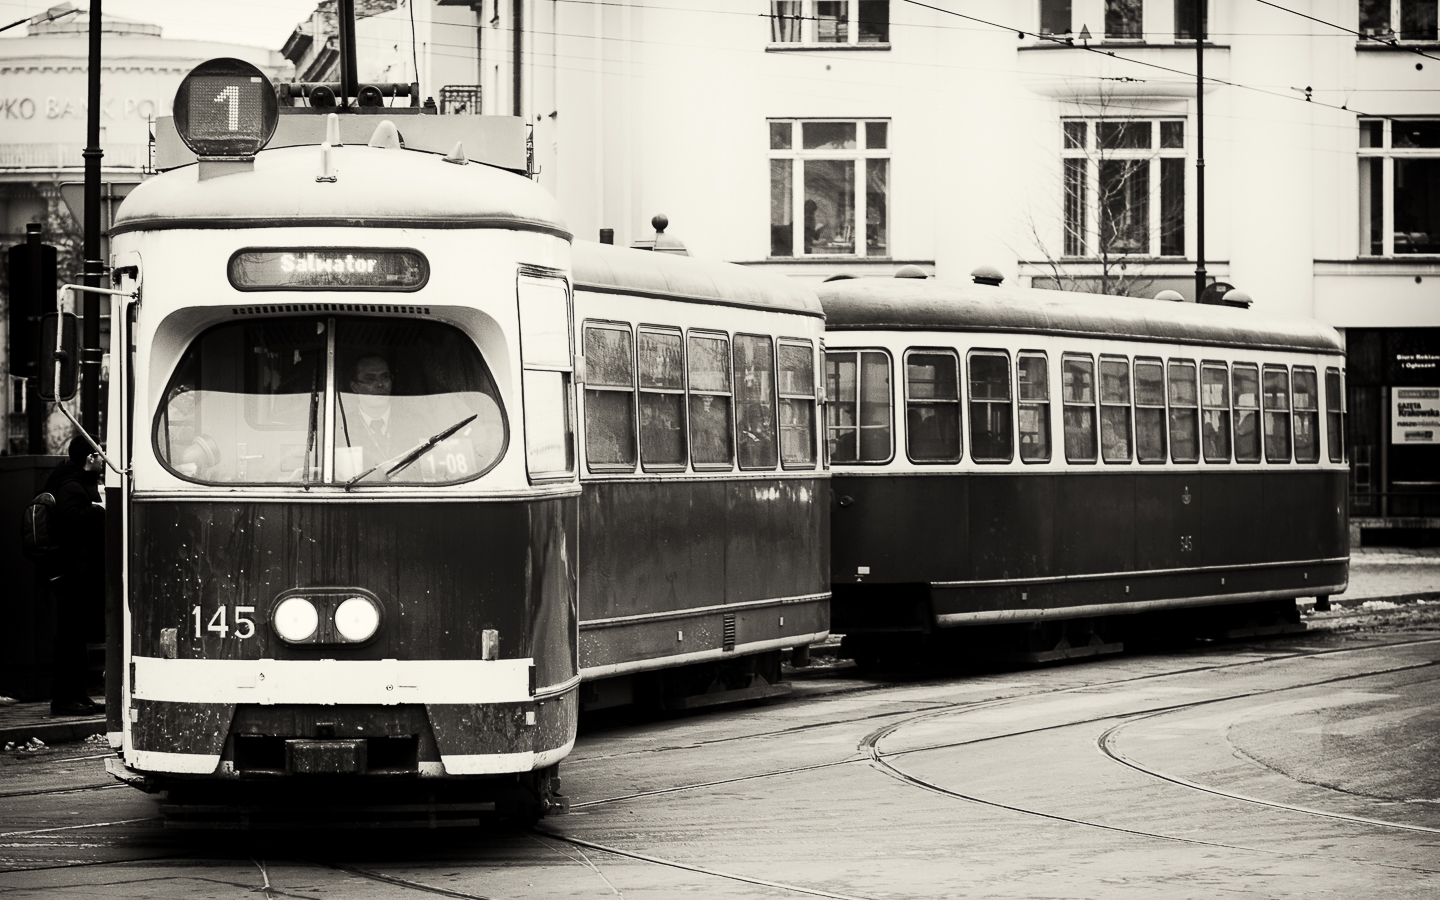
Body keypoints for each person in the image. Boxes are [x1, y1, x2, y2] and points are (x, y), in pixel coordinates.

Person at [43, 435, 106, 717]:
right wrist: (98, 510)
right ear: (90, 459)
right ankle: (64, 699)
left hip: (76, 573)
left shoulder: (75, 481)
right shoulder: (72, 486)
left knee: (76, 637)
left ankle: (78, 695)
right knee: (70, 638)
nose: (104, 458)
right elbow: (71, 522)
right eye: (100, 453)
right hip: (72, 575)